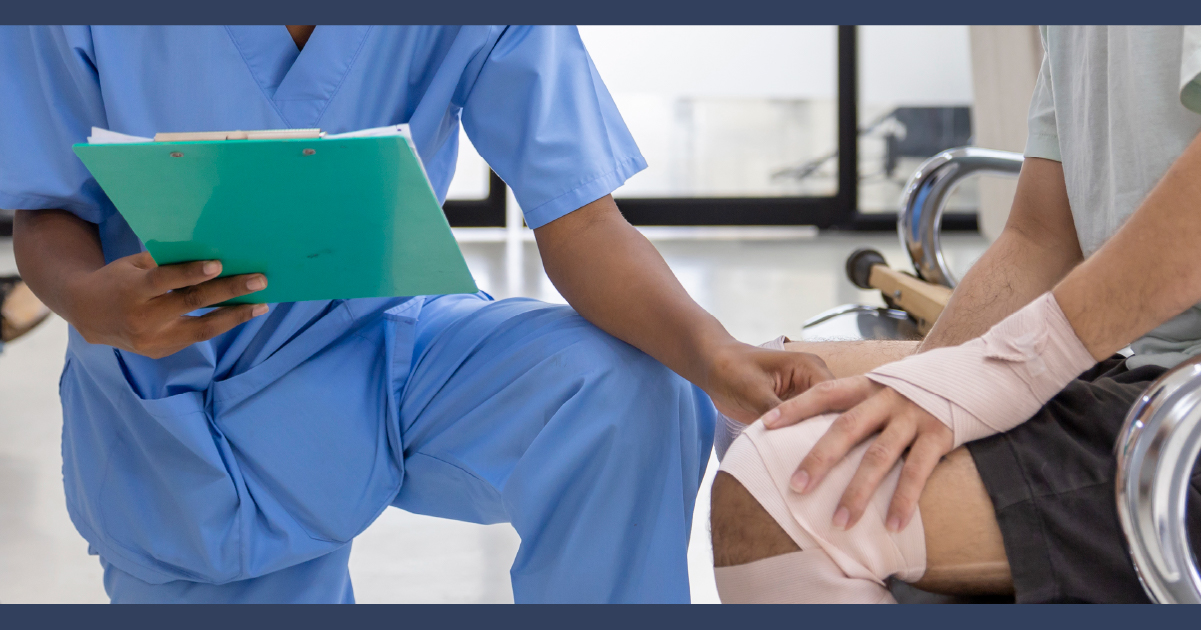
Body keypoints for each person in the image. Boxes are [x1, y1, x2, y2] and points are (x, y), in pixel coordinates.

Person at [0, 25, 834, 603]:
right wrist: (88, 303)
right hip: (186, 400)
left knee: (626, 386)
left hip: (381, 353)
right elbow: (46, 211)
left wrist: (713, 353)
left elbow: (580, 219)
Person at [710, 25, 1201, 604]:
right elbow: (1040, 235)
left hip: (1184, 399)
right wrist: (931, 385)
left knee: (776, 498)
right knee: (768, 399)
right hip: (1139, 363)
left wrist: (1010, 366)